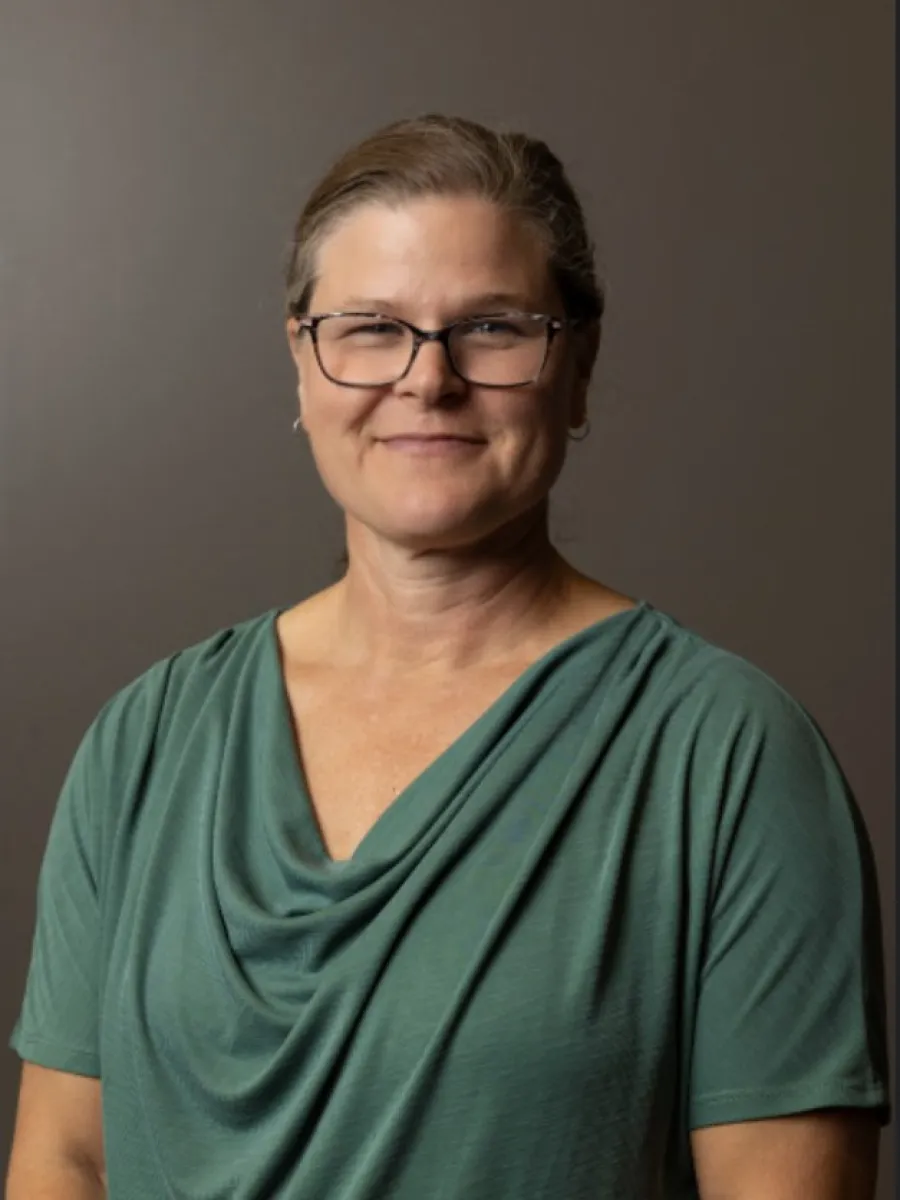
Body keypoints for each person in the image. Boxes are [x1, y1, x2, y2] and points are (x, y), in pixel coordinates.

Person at [6, 114, 889, 1199]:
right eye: (371, 328)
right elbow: (66, 1159)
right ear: (301, 362)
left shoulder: (727, 756)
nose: (429, 381)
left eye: (492, 328)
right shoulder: (144, 740)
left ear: (578, 367)